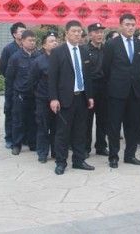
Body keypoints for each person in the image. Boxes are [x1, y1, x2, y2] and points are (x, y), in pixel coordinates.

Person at [48, 20, 95, 175]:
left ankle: (78, 160)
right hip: (64, 99)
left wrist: (90, 96)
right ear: (66, 33)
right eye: (74, 31)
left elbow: (87, 76)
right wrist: (53, 98)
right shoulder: (57, 52)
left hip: (81, 97)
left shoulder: (84, 50)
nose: (77, 34)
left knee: (80, 132)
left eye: (79, 31)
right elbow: (52, 77)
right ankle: (61, 162)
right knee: (63, 133)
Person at [102, 13, 140, 168]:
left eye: (133, 25)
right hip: (116, 92)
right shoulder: (111, 44)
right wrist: (114, 84)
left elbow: (139, 66)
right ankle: (113, 157)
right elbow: (106, 68)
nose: (130, 27)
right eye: (127, 24)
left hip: (134, 92)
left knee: (133, 125)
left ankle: (130, 155)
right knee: (114, 126)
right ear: (120, 26)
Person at [5, 30, 39, 155]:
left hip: (35, 95)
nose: (32, 43)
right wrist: (9, 98)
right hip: (20, 95)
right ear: (23, 41)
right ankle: (16, 145)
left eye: (34, 40)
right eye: (30, 40)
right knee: (18, 121)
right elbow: (9, 79)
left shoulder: (39, 56)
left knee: (33, 120)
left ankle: (33, 143)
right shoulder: (15, 57)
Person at [29, 31, 58, 163]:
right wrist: (39, 94)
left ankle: (56, 151)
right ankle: (42, 153)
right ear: (44, 45)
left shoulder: (61, 59)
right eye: (51, 41)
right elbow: (32, 81)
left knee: (57, 127)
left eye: (55, 41)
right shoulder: (38, 61)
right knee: (43, 127)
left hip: (58, 100)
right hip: (43, 99)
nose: (55, 43)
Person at [0, 22, 27, 149]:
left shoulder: (29, 47)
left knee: (25, 112)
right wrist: (13, 80)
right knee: (10, 111)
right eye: (21, 31)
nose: (24, 33)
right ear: (15, 34)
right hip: (12, 87)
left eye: (25, 31)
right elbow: (2, 67)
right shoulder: (8, 49)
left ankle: (24, 137)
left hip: (26, 87)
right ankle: (9, 138)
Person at [85, 23, 109, 157]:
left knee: (103, 119)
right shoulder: (84, 50)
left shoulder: (107, 49)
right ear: (90, 34)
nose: (100, 35)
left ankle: (101, 146)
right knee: (87, 120)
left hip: (104, 87)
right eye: (96, 32)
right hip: (90, 87)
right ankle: (85, 148)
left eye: (101, 32)